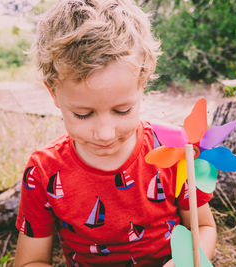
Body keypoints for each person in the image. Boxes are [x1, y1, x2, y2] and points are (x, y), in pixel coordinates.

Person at [14, 0, 217, 266]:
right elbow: (31, 261)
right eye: (83, 114)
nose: (105, 134)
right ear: (54, 93)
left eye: (122, 110)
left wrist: (184, 263)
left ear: (142, 82)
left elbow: (204, 228)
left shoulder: (176, 150)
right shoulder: (43, 171)